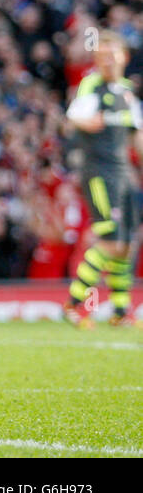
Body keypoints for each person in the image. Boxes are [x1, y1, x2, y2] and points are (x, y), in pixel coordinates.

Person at [63, 32, 143, 328]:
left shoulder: (127, 91)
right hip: (98, 172)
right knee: (110, 241)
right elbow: (72, 116)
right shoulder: (92, 86)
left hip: (123, 174)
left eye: (112, 54)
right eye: (102, 55)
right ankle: (73, 305)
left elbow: (137, 134)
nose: (107, 60)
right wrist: (85, 121)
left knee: (128, 243)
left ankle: (120, 311)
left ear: (124, 57)